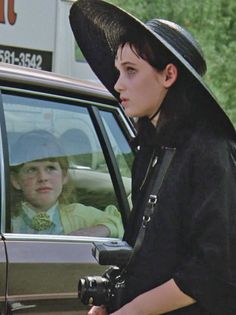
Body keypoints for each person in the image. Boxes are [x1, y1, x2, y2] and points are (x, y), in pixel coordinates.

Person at [70, 1, 236, 314]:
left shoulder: (211, 151)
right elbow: (142, 248)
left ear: (169, 75)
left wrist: (132, 311)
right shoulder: (153, 148)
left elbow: (212, 270)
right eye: (119, 71)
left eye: (131, 71)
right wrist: (106, 302)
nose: (118, 84)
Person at [10, 129, 124, 238]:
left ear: (64, 176)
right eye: (32, 170)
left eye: (50, 168)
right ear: (15, 180)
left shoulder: (79, 215)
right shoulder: (8, 218)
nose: (43, 178)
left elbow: (121, 222)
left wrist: (102, 229)